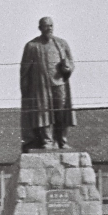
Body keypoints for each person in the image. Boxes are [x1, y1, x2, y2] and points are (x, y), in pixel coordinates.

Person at [19, 16, 76, 151]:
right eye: (45, 26)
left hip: (60, 84)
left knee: (61, 112)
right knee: (43, 113)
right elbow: (24, 70)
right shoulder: (32, 46)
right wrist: (26, 90)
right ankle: (47, 141)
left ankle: (62, 141)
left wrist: (68, 68)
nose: (49, 28)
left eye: (51, 25)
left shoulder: (61, 43)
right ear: (40, 28)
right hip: (41, 86)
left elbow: (71, 62)